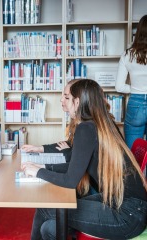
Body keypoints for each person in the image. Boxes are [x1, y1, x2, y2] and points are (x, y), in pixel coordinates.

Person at [22, 79, 147, 240]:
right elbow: (77, 165)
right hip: (123, 204)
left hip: (126, 215)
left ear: (77, 101)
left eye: (68, 98)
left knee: (45, 208)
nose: (63, 101)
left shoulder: (86, 129)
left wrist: (38, 171)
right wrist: (43, 166)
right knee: (50, 228)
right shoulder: (102, 124)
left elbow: (70, 181)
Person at [21, 79, 79, 162]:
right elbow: (68, 145)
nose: (61, 99)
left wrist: (67, 152)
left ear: (77, 101)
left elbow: (76, 161)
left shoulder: (85, 127)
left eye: (66, 97)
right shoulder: (76, 122)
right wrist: (39, 148)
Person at [115, 14, 147, 148]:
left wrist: (135, 89)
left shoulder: (128, 54)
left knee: (133, 155)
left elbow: (119, 87)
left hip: (136, 104)